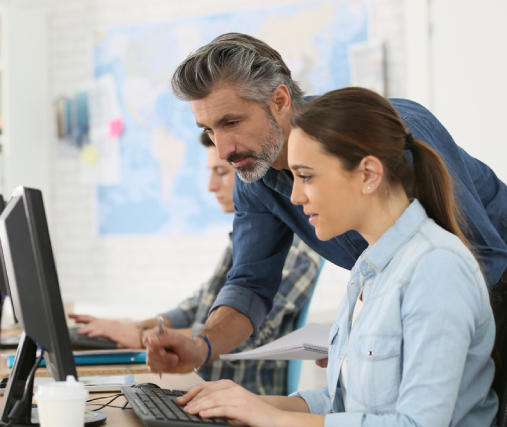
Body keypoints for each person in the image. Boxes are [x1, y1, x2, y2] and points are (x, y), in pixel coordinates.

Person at [144, 33, 507, 426]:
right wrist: (201, 347)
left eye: (231, 122)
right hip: (406, 287)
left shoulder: (386, 137)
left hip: (501, 270)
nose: (223, 149)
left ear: (279, 100)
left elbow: (479, 256)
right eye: (209, 131)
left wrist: (383, 340)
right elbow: (250, 283)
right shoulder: (258, 174)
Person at [70, 132, 321, 395]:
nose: (210, 186)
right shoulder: (245, 238)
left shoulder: (295, 250)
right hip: (201, 384)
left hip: (239, 393)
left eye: (222, 173)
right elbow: (199, 305)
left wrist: (140, 338)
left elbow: (246, 331)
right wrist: (138, 328)